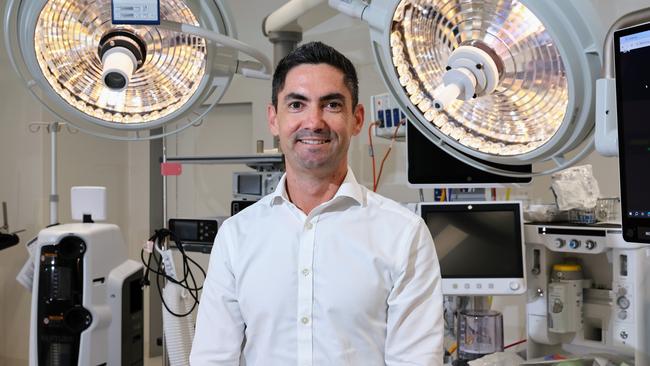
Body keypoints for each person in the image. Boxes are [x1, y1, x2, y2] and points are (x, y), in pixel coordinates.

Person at [190, 41, 443, 365]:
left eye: (332, 105)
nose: (313, 122)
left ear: (356, 118)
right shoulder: (236, 236)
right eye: (296, 104)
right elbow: (212, 359)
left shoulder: (403, 235)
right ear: (273, 119)